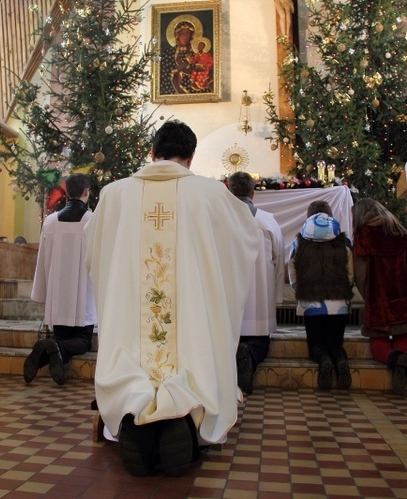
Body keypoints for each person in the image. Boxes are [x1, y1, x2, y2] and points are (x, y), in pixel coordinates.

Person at [85, 120, 259, 477]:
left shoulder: (115, 193)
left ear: (152, 152)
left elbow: (94, 251)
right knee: (192, 359)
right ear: (191, 157)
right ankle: (185, 423)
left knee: (133, 360)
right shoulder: (212, 193)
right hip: (191, 316)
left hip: (131, 316)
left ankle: (136, 419)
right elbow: (244, 241)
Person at [352, 199, 407, 396]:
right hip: (405, 295)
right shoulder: (399, 230)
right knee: (404, 339)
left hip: (379, 298)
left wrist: (368, 295)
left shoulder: (364, 234)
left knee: (379, 344)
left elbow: (360, 274)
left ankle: (395, 361)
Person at [26, 173, 97, 385]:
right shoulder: (92, 221)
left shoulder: (50, 221)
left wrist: (42, 292)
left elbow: (43, 260)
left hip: (58, 296)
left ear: (66, 192)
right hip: (83, 294)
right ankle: (56, 350)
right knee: (83, 342)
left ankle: (45, 353)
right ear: (87, 192)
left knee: (60, 337)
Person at [226, 171, 285, 395]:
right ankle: (249, 354)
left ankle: (236, 361)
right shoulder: (267, 220)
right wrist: (275, 296)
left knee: (227, 339)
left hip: (228, 300)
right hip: (260, 296)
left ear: (229, 191)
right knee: (261, 343)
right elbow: (280, 259)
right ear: (253, 192)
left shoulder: (219, 219)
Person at [289, 200, 354, 390]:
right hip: (339, 301)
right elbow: (350, 272)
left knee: (316, 344)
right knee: (335, 342)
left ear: (308, 217)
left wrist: (298, 291)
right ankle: (340, 360)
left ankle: (322, 358)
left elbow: (292, 272)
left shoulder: (299, 242)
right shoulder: (344, 242)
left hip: (311, 302)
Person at [160, 20, 199, 95]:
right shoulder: (169, 52)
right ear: (177, 35)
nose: (185, 36)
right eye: (182, 33)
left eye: (188, 33)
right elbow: (166, 71)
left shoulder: (194, 52)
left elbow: (198, 67)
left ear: (191, 35)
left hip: (191, 84)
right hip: (173, 86)